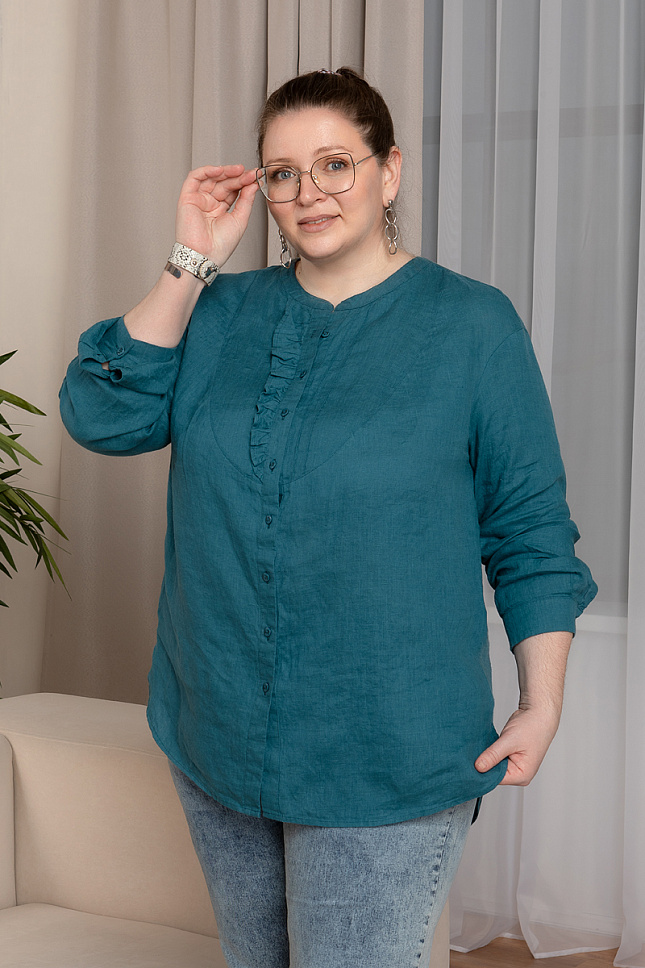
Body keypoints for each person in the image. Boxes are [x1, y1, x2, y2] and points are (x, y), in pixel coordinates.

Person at [60, 68, 597, 968]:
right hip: (218, 737)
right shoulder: (220, 311)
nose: (309, 193)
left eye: (335, 164)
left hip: (383, 751)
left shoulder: (473, 326)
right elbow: (101, 419)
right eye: (282, 173)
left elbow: (530, 529)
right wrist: (191, 259)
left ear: (389, 171)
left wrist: (540, 702)